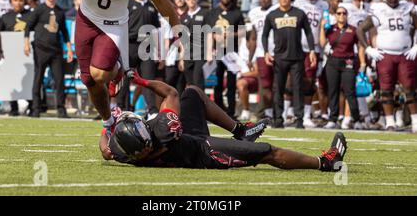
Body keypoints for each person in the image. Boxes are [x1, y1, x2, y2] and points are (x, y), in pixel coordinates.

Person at [43, 0, 180, 135]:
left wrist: (177, 27)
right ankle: (108, 120)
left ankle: (116, 71)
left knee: (99, 74)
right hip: (86, 18)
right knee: (88, 80)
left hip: (114, 24)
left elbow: (161, 1)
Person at [99, 70, 347, 173]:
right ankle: (325, 163)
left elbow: (105, 150)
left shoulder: (123, 153)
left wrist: (107, 122)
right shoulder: (163, 130)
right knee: (267, 152)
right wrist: (139, 80)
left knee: (194, 93)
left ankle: (241, 130)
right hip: (201, 151)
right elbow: (170, 93)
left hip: (185, 140)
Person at [357, 0, 417, 133]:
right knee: (386, 89)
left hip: (405, 54)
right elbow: (360, 29)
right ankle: (390, 121)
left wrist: (416, 46)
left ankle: (415, 121)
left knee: (409, 88)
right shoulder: (379, 9)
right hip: (385, 55)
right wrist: (369, 48)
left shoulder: (408, 8)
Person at [262, 0, 316, 129]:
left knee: (298, 88)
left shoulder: (299, 13)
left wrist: (312, 50)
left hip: (297, 57)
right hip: (279, 58)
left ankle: (299, 119)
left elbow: (309, 32)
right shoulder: (272, 15)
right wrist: (266, 52)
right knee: (278, 89)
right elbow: (264, 35)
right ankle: (278, 119)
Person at [24, 0, 73, 118]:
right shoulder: (39, 9)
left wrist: (69, 49)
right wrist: (26, 43)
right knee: (38, 77)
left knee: (59, 79)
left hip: (56, 50)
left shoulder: (60, 11)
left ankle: (61, 108)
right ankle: (35, 108)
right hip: (40, 48)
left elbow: (64, 31)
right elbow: (28, 26)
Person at [116, 0, 161, 118]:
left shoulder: (151, 6)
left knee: (147, 80)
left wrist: (158, 52)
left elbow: (155, 31)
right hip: (128, 45)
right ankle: (121, 108)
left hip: (146, 46)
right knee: (123, 79)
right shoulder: (127, 3)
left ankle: (152, 111)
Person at [319, 5, 366, 129]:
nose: (341, 15)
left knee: (350, 91)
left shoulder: (353, 29)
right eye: (339, 13)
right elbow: (322, 43)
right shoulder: (330, 28)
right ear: (335, 15)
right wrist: (322, 28)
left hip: (348, 62)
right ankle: (332, 119)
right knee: (332, 91)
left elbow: (361, 45)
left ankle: (356, 120)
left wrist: (362, 62)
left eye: (344, 13)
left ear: (347, 15)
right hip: (333, 61)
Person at [293, 0, 329, 128]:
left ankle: (306, 114)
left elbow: (324, 27)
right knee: (291, 81)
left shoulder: (323, 5)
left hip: (313, 49)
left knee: (309, 82)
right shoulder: (297, 2)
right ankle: (287, 113)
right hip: (296, 47)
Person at [205, 0, 245, 118]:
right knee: (217, 83)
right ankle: (218, 111)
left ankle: (231, 112)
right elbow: (207, 31)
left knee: (232, 83)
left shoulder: (237, 13)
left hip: (231, 52)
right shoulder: (212, 13)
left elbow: (243, 32)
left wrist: (230, 34)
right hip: (217, 51)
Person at [0, 0, 31, 116]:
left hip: (27, 54)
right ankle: (13, 108)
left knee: (28, 79)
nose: (18, 3)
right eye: (15, 0)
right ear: (11, 2)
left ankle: (33, 107)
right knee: (12, 80)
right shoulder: (5, 17)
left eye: (21, 0)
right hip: (11, 55)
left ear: (25, 2)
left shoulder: (31, 16)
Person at [248, 0, 276, 121]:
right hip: (260, 53)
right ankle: (269, 112)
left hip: (278, 51)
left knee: (280, 84)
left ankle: (282, 111)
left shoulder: (277, 10)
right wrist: (250, 57)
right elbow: (253, 38)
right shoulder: (254, 13)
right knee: (265, 85)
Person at [181, 0, 207, 89]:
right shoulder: (183, 17)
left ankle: (201, 104)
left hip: (201, 52)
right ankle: (192, 104)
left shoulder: (205, 13)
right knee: (190, 84)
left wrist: (210, 52)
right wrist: (182, 58)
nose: (191, 1)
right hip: (188, 54)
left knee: (198, 82)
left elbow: (209, 34)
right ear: (185, 0)